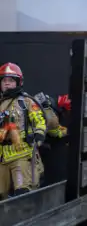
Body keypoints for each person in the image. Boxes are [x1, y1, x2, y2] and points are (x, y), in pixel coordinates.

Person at [0, 62, 46, 200]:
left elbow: (39, 119)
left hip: (22, 155)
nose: (7, 84)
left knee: (23, 196)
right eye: (4, 80)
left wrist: (39, 133)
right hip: (2, 158)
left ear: (18, 82)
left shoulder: (26, 101)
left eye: (11, 80)